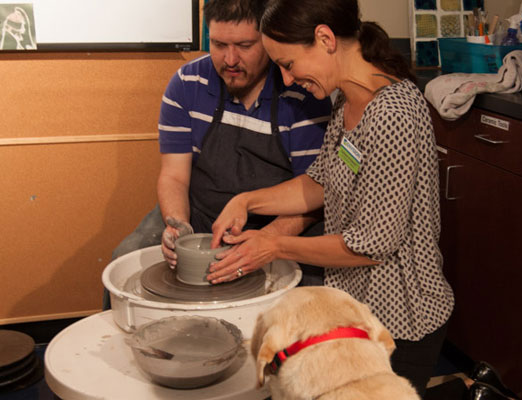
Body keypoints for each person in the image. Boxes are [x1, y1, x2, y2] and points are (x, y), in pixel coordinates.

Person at [206, 0, 454, 397]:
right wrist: (247, 201)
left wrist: (273, 246)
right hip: (356, 308)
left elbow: (370, 247)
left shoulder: (394, 114)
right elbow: (321, 183)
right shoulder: (347, 99)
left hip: (402, 319)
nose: (286, 80)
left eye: (288, 64)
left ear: (325, 39)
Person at [103, 0, 331, 310]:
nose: (230, 59)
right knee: (125, 256)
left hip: (277, 221)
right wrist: (178, 226)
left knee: (311, 298)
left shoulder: (301, 93)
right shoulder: (187, 84)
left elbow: (314, 195)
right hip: (199, 215)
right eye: (219, 44)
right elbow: (173, 175)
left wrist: (266, 241)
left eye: (244, 45)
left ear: (266, 39)